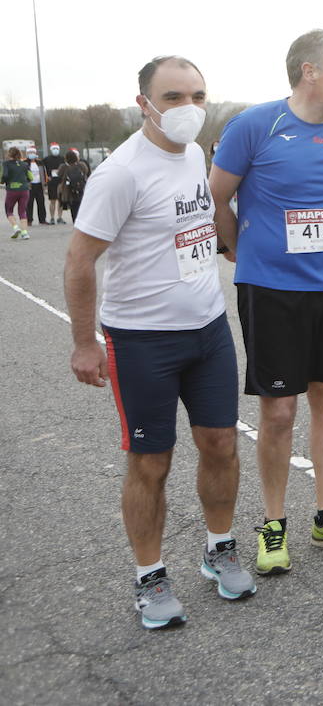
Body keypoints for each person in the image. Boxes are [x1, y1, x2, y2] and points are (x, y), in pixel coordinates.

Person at [65, 56, 254, 630]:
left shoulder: (196, 153)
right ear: (144, 103)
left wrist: (232, 247)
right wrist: (84, 343)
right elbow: (79, 261)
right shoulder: (119, 172)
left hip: (208, 330)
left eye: (197, 95)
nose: (187, 108)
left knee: (221, 443)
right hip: (142, 340)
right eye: (173, 97)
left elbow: (201, 224)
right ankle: (149, 576)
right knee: (151, 461)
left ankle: (218, 548)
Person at [209, 28, 323, 575]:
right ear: (309, 72)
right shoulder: (256, 125)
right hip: (271, 289)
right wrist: (240, 249)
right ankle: (273, 523)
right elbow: (217, 194)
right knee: (279, 410)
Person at [3, 147, 30, 239]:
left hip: (12, 190)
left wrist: (3, 181)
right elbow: (30, 177)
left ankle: (15, 227)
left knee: (9, 210)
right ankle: (25, 232)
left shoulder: (6, 164)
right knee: (22, 211)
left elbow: (4, 175)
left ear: (9, 154)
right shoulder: (25, 164)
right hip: (24, 190)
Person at [60, 149, 89, 222]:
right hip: (81, 189)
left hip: (70, 191)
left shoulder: (65, 167)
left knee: (74, 209)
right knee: (81, 208)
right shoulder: (82, 165)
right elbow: (86, 171)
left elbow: (59, 174)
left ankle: (75, 223)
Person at [42, 143, 65, 223]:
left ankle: (60, 217)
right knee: (52, 201)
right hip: (51, 183)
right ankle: (52, 218)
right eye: (54, 149)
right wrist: (46, 178)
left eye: (57, 149)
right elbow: (42, 169)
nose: (56, 150)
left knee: (60, 201)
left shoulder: (62, 159)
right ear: (51, 150)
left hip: (60, 183)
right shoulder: (46, 159)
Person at [25, 147, 48, 226]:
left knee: (41, 202)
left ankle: (42, 220)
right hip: (29, 186)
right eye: (30, 152)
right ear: (27, 154)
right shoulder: (25, 163)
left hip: (39, 185)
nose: (31, 154)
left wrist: (45, 183)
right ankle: (29, 220)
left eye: (33, 152)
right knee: (29, 203)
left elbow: (44, 173)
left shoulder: (40, 163)